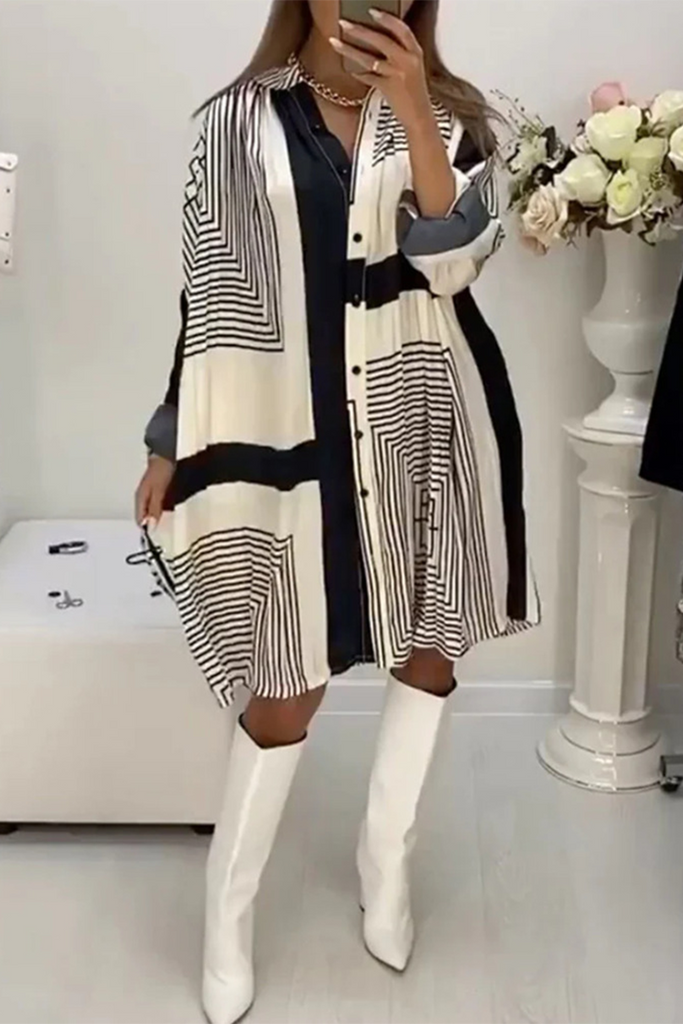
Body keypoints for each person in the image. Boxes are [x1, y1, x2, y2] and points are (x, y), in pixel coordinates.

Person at [135, 1, 539, 1021]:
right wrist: (169, 435)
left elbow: (451, 266)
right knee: (285, 681)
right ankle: (227, 917)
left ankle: (384, 866)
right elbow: (208, 290)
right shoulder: (233, 122)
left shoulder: (454, 115)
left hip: (422, 422)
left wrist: (412, 110)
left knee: (429, 653)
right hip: (291, 430)